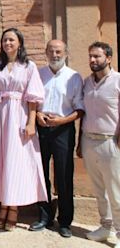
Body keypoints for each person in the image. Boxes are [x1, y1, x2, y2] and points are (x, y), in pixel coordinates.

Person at [0, 28, 46, 231]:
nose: (7, 43)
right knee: (0, 158)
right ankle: (3, 206)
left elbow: (33, 97)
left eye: (11, 39)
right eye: (5, 40)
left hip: (18, 115)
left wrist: (31, 123)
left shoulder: (28, 66)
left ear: (19, 43)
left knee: (15, 160)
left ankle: (14, 208)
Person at [29, 40, 84, 238]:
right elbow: (31, 102)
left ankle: (65, 221)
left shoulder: (74, 77)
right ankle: (44, 216)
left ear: (66, 53)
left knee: (64, 175)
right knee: (41, 174)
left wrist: (62, 120)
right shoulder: (38, 74)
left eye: (58, 51)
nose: (55, 55)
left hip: (63, 130)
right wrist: (37, 116)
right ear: (46, 53)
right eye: (51, 51)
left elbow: (79, 109)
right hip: (41, 129)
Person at [80, 41, 120, 246]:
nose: (93, 60)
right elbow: (83, 112)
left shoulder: (118, 81)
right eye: (90, 56)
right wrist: (80, 142)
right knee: (99, 189)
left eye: (97, 56)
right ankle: (106, 227)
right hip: (89, 140)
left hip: (110, 141)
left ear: (109, 58)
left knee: (116, 191)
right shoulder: (87, 82)